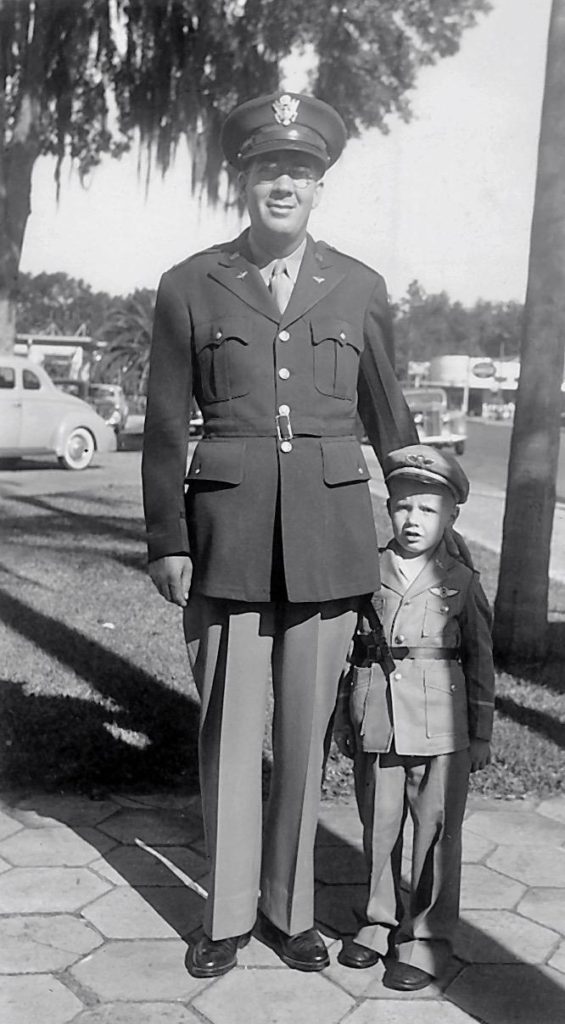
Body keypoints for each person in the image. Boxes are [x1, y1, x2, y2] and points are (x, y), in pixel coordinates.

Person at [142, 90, 418, 979]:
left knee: (304, 733)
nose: (283, 184)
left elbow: (389, 418)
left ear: (318, 185)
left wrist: (421, 534)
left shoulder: (361, 286)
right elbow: (160, 424)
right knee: (228, 728)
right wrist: (166, 540)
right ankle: (224, 913)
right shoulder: (190, 283)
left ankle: (288, 910)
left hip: (329, 536)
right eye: (268, 169)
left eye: (299, 170)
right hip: (223, 532)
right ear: (244, 179)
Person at [333, 444, 495, 989]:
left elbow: (480, 663)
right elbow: (347, 651)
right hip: (377, 717)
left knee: (434, 834)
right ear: (388, 509)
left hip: (442, 726)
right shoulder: (365, 570)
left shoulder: (462, 581)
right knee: (378, 829)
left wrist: (482, 733)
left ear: (451, 516)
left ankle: (424, 938)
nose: (413, 520)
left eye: (428, 509)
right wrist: (341, 718)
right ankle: (377, 923)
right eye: (403, 506)